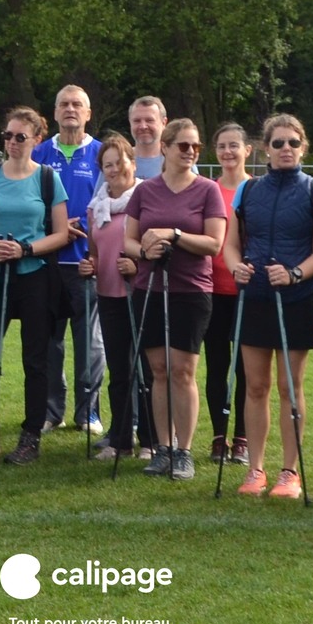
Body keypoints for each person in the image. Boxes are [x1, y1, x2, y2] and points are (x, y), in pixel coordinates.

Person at [226, 114, 313, 498]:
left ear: (303, 147)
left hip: (296, 299)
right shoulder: (248, 190)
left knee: (290, 387)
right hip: (254, 297)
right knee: (256, 386)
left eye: (293, 142)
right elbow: (231, 244)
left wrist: (294, 274)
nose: (286, 149)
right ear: (266, 149)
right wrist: (235, 267)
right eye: (278, 143)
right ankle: (255, 469)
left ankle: (290, 472)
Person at [122, 118, 230, 481]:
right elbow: (128, 241)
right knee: (159, 371)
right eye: (183, 145)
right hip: (150, 288)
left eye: (196, 146)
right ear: (165, 148)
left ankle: (184, 451)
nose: (191, 152)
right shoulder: (145, 191)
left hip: (191, 291)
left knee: (183, 372)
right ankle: (163, 448)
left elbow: (214, 243)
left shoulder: (207, 190)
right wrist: (146, 251)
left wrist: (175, 234)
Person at [0, 106, 71, 465]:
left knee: (35, 359)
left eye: (20, 136)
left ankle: (30, 436)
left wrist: (25, 249)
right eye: (7, 135)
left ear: (37, 139)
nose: (11, 142)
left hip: (34, 275)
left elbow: (60, 234)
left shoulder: (47, 179)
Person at [32, 84, 106, 437]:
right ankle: (52, 411)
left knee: (90, 344)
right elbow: (28, 204)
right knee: (49, 342)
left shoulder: (102, 154)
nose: (70, 109)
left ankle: (88, 412)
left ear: (88, 113)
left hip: (86, 263)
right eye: (64, 104)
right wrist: (57, 226)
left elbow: (113, 204)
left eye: (77, 104)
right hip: (45, 263)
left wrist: (84, 231)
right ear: (55, 112)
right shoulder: (38, 153)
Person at [119, 95, 170, 455]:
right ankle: (129, 430)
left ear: (163, 123)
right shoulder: (121, 160)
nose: (143, 127)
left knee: (163, 366)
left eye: (149, 120)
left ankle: (158, 437)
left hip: (169, 279)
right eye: (137, 121)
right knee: (127, 361)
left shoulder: (176, 161)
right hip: (127, 276)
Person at [82, 135, 139, 463]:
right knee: (119, 371)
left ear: (133, 163)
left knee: (148, 370)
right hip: (108, 295)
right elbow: (94, 251)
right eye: (108, 165)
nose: (115, 169)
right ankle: (121, 439)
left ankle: (153, 440)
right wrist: (89, 265)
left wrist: (137, 265)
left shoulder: (145, 199)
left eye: (120, 162)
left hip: (139, 294)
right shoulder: (96, 208)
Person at [204, 122, 252, 465]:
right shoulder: (209, 189)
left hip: (247, 292)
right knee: (217, 365)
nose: (227, 152)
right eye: (222, 146)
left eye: (234, 145)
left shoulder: (256, 189)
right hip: (212, 290)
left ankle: (243, 438)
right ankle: (219, 436)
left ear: (247, 150)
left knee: (247, 369)